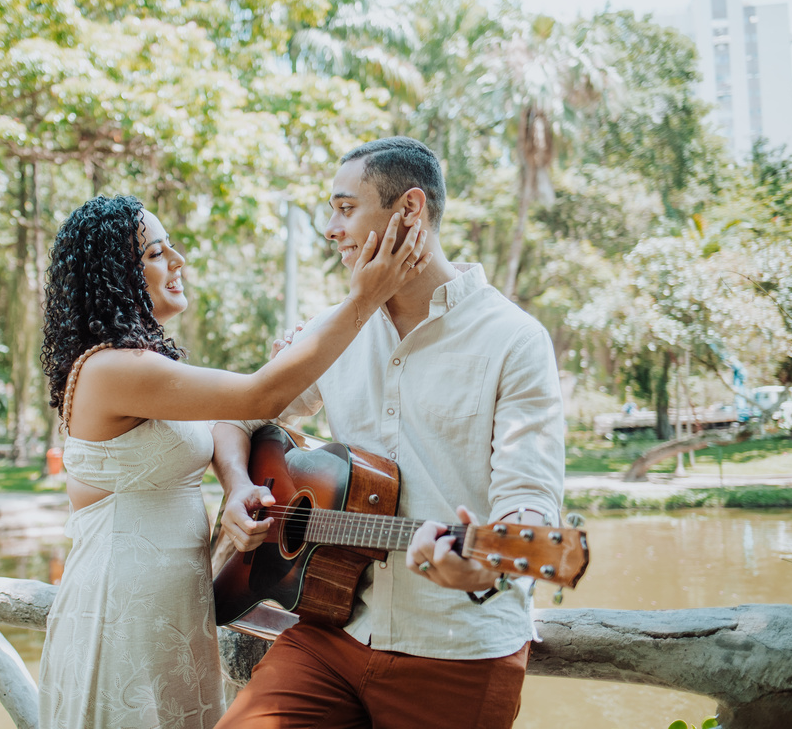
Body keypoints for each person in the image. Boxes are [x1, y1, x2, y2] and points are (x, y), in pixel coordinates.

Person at [37, 193, 430, 729]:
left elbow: (237, 416)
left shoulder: (139, 362)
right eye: (156, 253)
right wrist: (363, 299)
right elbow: (259, 396)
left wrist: (240, 479)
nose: (178, 261)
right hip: (121, 607)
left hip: (173, 605)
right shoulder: (111, 369)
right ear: (113, 277)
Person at [214, 136, 565, 729]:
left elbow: (529, 500)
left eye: (346, 208)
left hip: (459, 650)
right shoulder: (333, 330)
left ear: (409, 209)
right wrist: (234, 488)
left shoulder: (515, 340)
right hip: (330, 631)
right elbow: (240, 413)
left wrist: (484, 568)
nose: (331, 229)